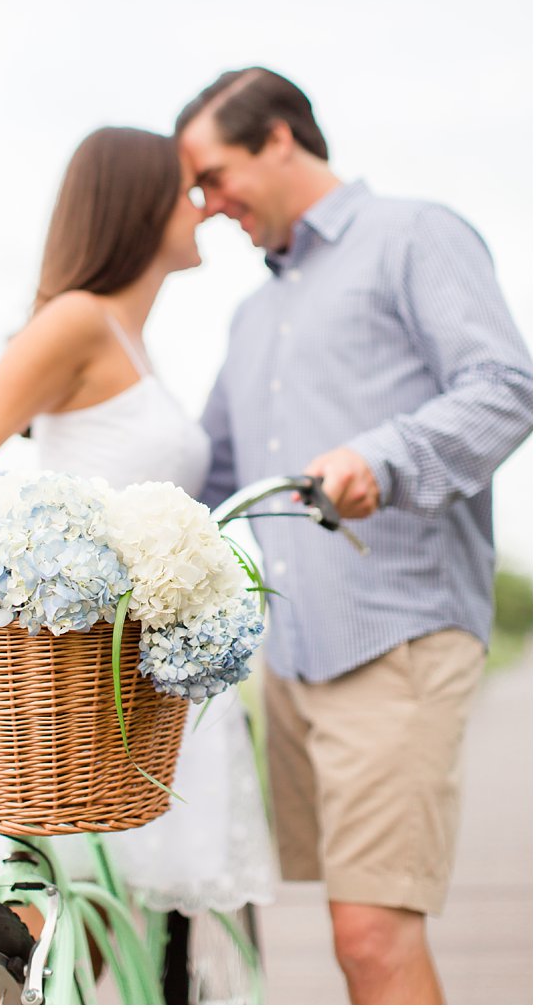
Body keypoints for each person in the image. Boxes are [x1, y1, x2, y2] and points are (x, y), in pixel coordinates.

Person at [177, 67, 533, 1005]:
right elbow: (214, 473)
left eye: (214, 177)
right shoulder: (252, 315)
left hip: (397, 634)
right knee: (346, 932)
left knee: (374, 937)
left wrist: (387, 455)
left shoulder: (414, 233)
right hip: (292, 660)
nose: (208, 207)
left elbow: (506, 386)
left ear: (281, 138)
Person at [0, 126, 276, 924]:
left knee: (101, 929)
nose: (202, 207)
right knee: (44, 925)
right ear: (138, 205)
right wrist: (18, 576)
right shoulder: (78, 321)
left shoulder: (136, 342)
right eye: (185, 189)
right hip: (80, 666)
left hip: (144, 666)